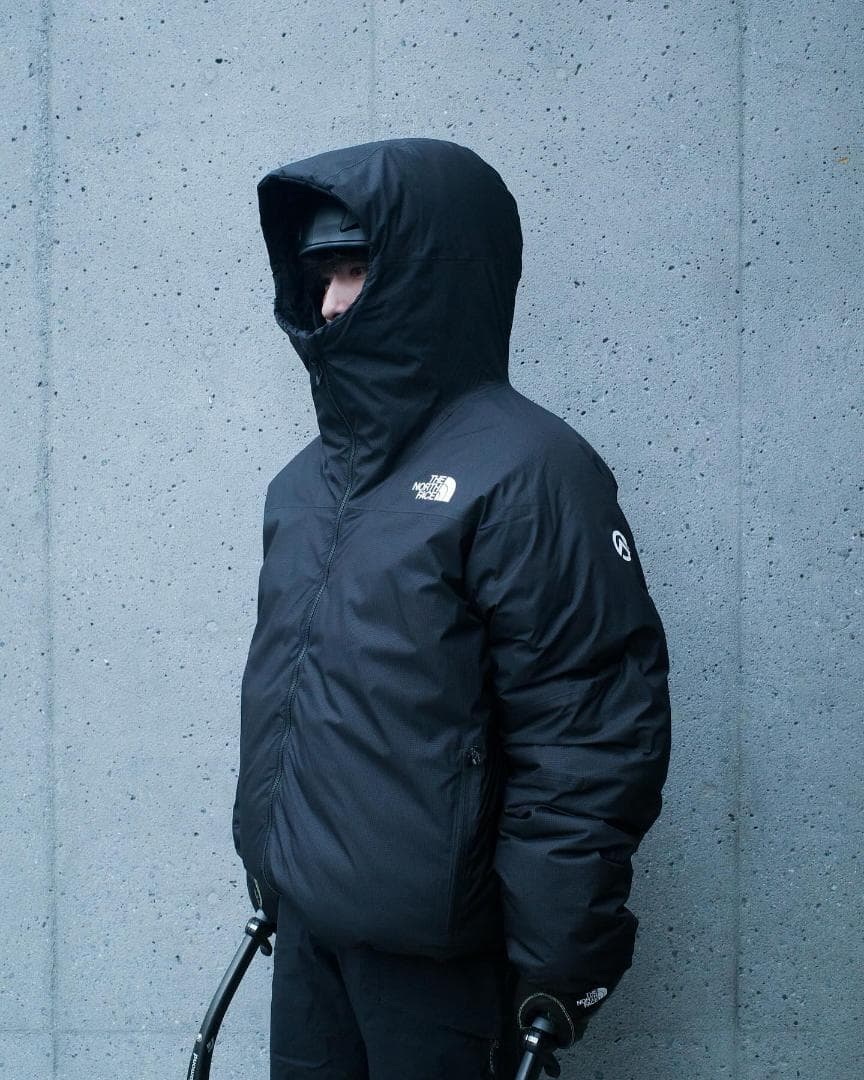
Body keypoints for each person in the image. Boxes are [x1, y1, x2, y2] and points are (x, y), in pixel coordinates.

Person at [233, 137, 671, 1080]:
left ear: (429, 276)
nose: (332, 301)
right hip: (308, 936)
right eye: (321, 275)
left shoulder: (531, 471)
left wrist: (559, 964)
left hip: (443, 971)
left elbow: (589, 731)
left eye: (357, 270)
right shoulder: (303, 486)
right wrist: (272, 872)